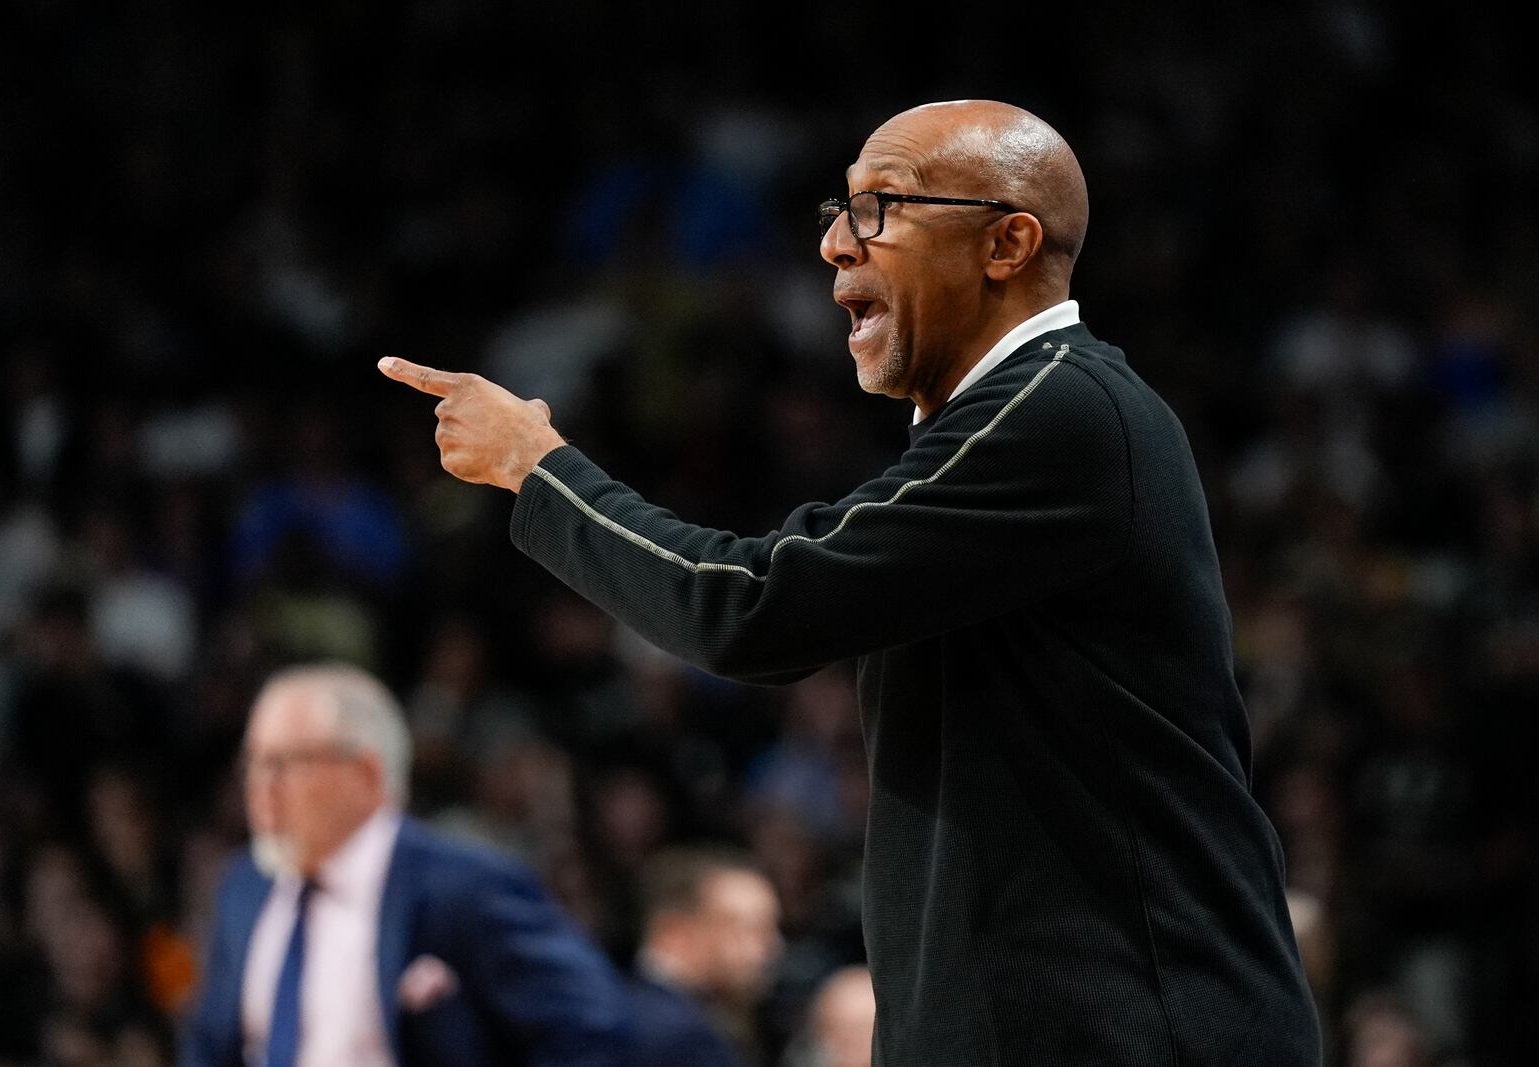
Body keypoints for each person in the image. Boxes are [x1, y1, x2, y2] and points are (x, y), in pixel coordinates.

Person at [380, 99, 1322, 1065]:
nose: (835, 243)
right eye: (839, 208)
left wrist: (540, 470)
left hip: (1136, 1027)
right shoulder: (1002, 431)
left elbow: (753, 607)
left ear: (1008, 242)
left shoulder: (1063, 409)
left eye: (883, 207)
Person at [180, 663, 631, 1067]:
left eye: (285, 763)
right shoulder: (245, 887)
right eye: (253, 764)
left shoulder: (465, 887)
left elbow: (586, 1027)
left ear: (367, 774)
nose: (261, 788)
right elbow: (212, 1042)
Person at [629, 847, 783, 1067]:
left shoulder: (622, 1012)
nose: (773, 946)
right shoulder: (678, 1038)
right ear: (674, 932)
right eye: (750, 929)